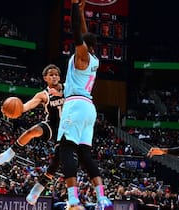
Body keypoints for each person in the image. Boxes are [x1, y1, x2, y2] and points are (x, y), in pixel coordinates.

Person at [56, 0, 112, 209]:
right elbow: (85, 35)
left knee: (65, 149)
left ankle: (73, 199)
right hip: (89, 108)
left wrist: (72, 7)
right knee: (85, 154)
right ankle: (102, 198)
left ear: (85, 46)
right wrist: (81, 11)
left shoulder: (82, 57)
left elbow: (77, 34)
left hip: (75, 105)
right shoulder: (94, 58)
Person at [0, 64, 64, 204]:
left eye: (56, 74)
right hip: (52, 124)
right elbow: (28, 105)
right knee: (32, 131)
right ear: (45, 78)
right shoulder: (43, 95)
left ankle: (38, 188)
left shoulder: (69, 88)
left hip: (68, 128)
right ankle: (9, 153)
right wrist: (17, 110)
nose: (54, 76)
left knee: (57, 160)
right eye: (51, 74)